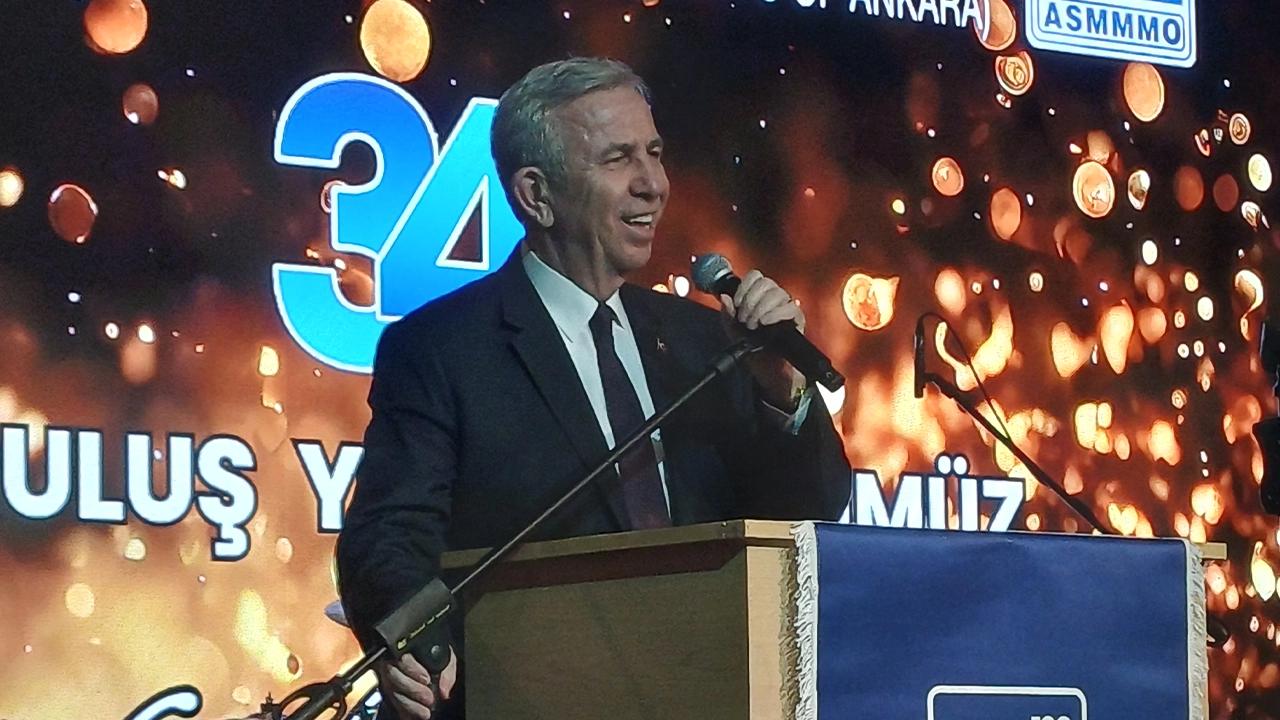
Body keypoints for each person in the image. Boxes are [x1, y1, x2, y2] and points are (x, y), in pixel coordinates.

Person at [335, 57, 851, 720]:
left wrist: (784, 394)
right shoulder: (443, 348)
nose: (653, 185)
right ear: (536, 195)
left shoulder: (707, 341)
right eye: (618, 159)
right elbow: (388, 535)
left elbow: (810, 514)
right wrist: (416, 641)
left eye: (654, 153)